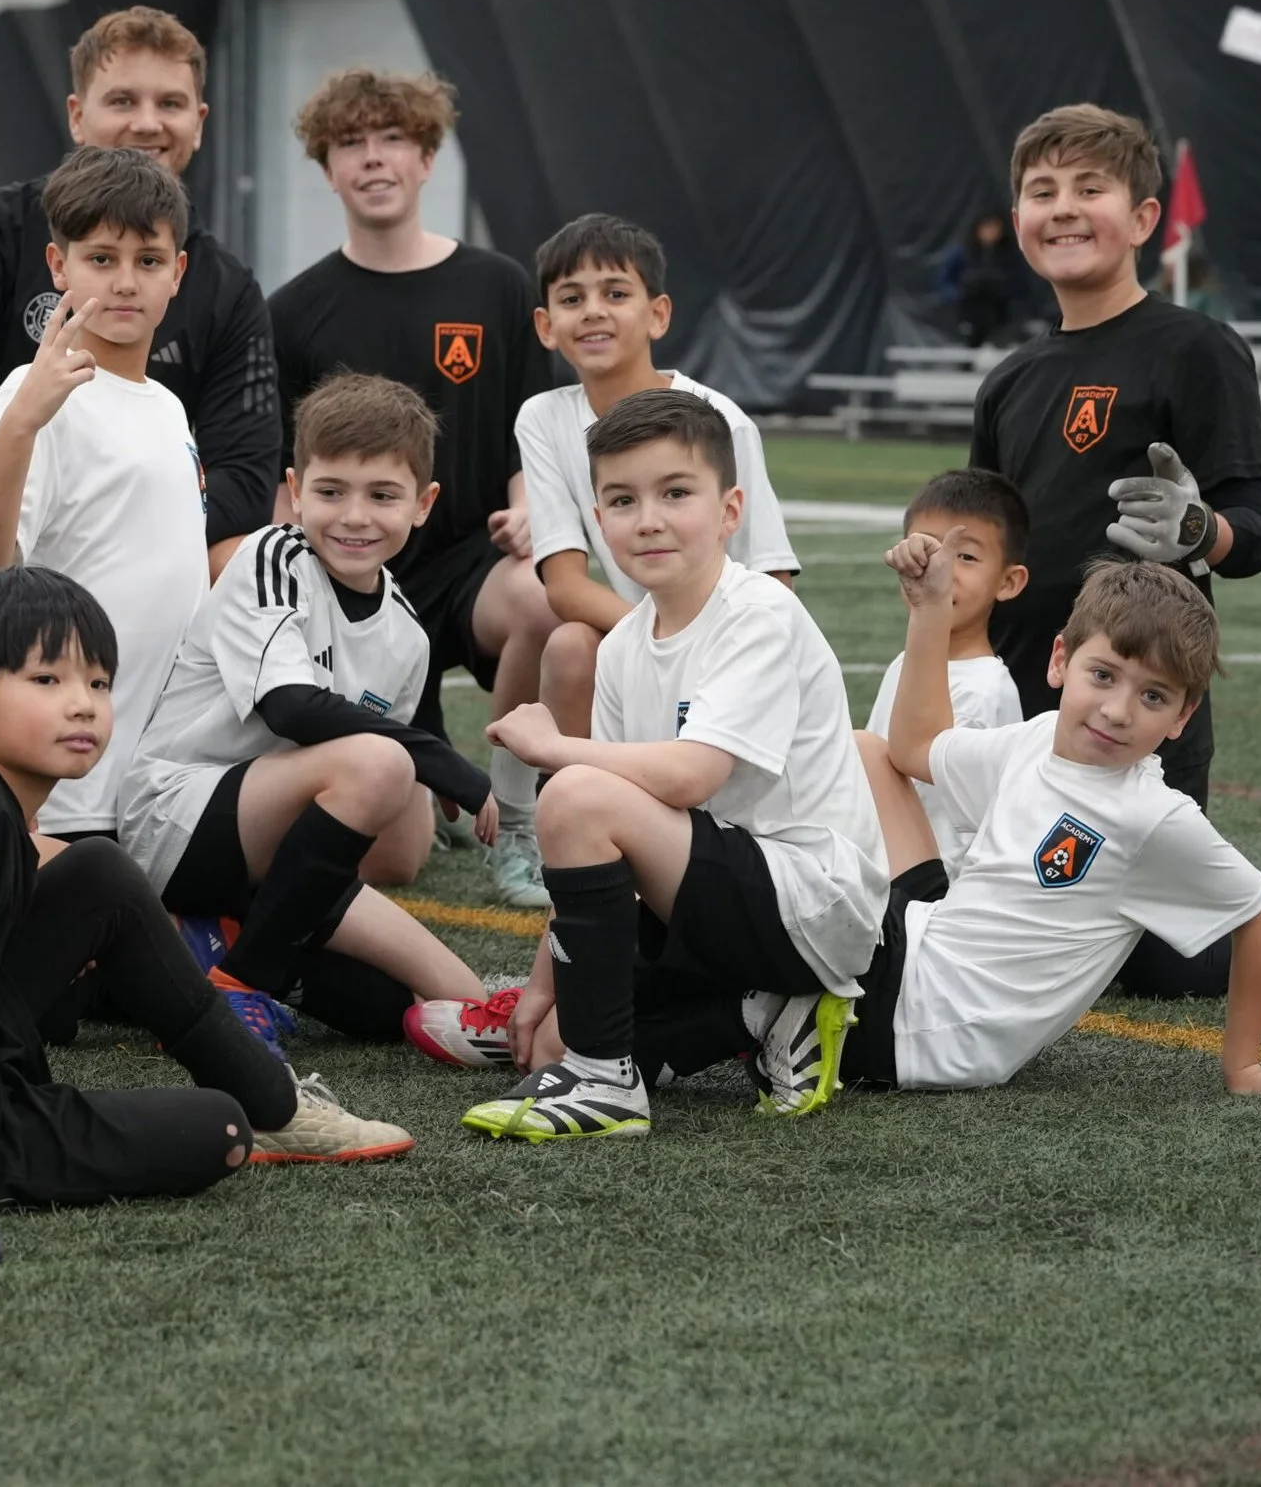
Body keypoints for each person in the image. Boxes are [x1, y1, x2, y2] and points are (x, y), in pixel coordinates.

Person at [0, 566, 411, 1272]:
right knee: (218, 1128)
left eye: (97, 682)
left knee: (98, 871)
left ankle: (276, 1104)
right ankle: (266, 1110)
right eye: (47, 681)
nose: (83, 704)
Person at [465, 390, 886, 1141]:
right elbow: (594, 845)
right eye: (622, 499)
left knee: (577, 791)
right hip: (712, 894)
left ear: (730, 511)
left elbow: (687, 777)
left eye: (675, 493)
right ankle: (760, 1012)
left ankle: (605, 1085)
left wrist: (553, 746)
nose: (648, 517)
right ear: (599, 523)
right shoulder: (628, 641)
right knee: (556, 1035)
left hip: (814, 900)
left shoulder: (758, 611)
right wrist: (537, 991)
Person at [123, 372, 507, 1060]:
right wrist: (441, 761)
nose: (355, 516)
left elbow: (377, 827)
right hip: (179, 818)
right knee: (384, 760)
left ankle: (219, 938)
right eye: (331, 492)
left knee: (446, 997)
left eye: (383, 495)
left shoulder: (406, 635)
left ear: (423, 504)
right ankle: (238, 983)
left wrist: (415, 778)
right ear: (296, 492)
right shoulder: (274, 555)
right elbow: (292, 707)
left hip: (280, 863)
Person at [844, 551, 1261, 1100]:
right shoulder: (1039, 737)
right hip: (927, 940)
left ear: (1183, 716)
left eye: (1153, 695)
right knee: (864, 750)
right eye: (1104, 676)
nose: (1117, 710)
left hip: (933, 1026)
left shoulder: (1152, 815)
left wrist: (1244, 1066)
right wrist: (929, 609)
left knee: (771, 910)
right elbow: (914, 748)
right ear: (1061, 659)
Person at [0, 7, 279, 676]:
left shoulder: (227, 289)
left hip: (146, 646)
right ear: (77, 115)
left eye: (170, 102)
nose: (147, 122)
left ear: (199, 120)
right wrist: (36, 550)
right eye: (122, 100)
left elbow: (245, 477)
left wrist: (121, 542)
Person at [267, 68, 560, 906]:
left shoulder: (498, 285)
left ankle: (520, 824)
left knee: (543, 603)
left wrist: (531, 509)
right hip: (352, 572)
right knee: (400, 838)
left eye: (392, 138)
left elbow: (528, 432)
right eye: (350, 143)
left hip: (469, 559)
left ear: (427, 156)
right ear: (327, 169)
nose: (372, 158)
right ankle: (412, 770)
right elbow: (290, 476)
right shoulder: (294, 309)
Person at [969, 104, 1261, 819]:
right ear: (1018, 220)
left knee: (1144, 929)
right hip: (1017, 706)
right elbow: (984, 546)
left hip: (1135, 711)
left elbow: (1256, 536)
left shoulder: (1197, 349)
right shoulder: (1008, 380)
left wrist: (1201, 529)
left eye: (1089, 188)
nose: (1064, 208)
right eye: (1042, 192)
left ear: (1142, 220)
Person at [0, 145, 207, 847]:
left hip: (161, 775)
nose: (125, 282)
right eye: (101, 259)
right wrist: (23, 423)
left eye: (148, 261)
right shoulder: (36, 395)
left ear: (177, 273)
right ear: (59, 267)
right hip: (71, 794)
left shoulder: (168, 407)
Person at [517, 215, 801, 757]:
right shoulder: (543, 418)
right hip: (642, 638)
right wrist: (657, 641)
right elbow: (565, 585)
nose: (594, 311)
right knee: (570, 646)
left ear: (658, 314)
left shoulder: (721, 419)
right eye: (571, 298)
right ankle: (526, 822)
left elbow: (773, 579)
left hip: (729, 644)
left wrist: (695, 646)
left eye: (616, 293)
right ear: (546, 325)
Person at [859, 469, 1029, 865]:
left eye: (964, 557)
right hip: (882, 866)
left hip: (930, 889)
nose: (939, 570)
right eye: (925, 550)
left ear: (1008, 582)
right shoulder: (907, 664)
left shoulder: (983, 689)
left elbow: (961, 832)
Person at [934, 211, 1044, 347]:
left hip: (1003, 313)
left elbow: (1022, 284)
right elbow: (945, 282)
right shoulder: (961, 254)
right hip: (968, 312)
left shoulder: (1011, 255)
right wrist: (959, 295)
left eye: (995, 228)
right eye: (986, 227)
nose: (990, 232)